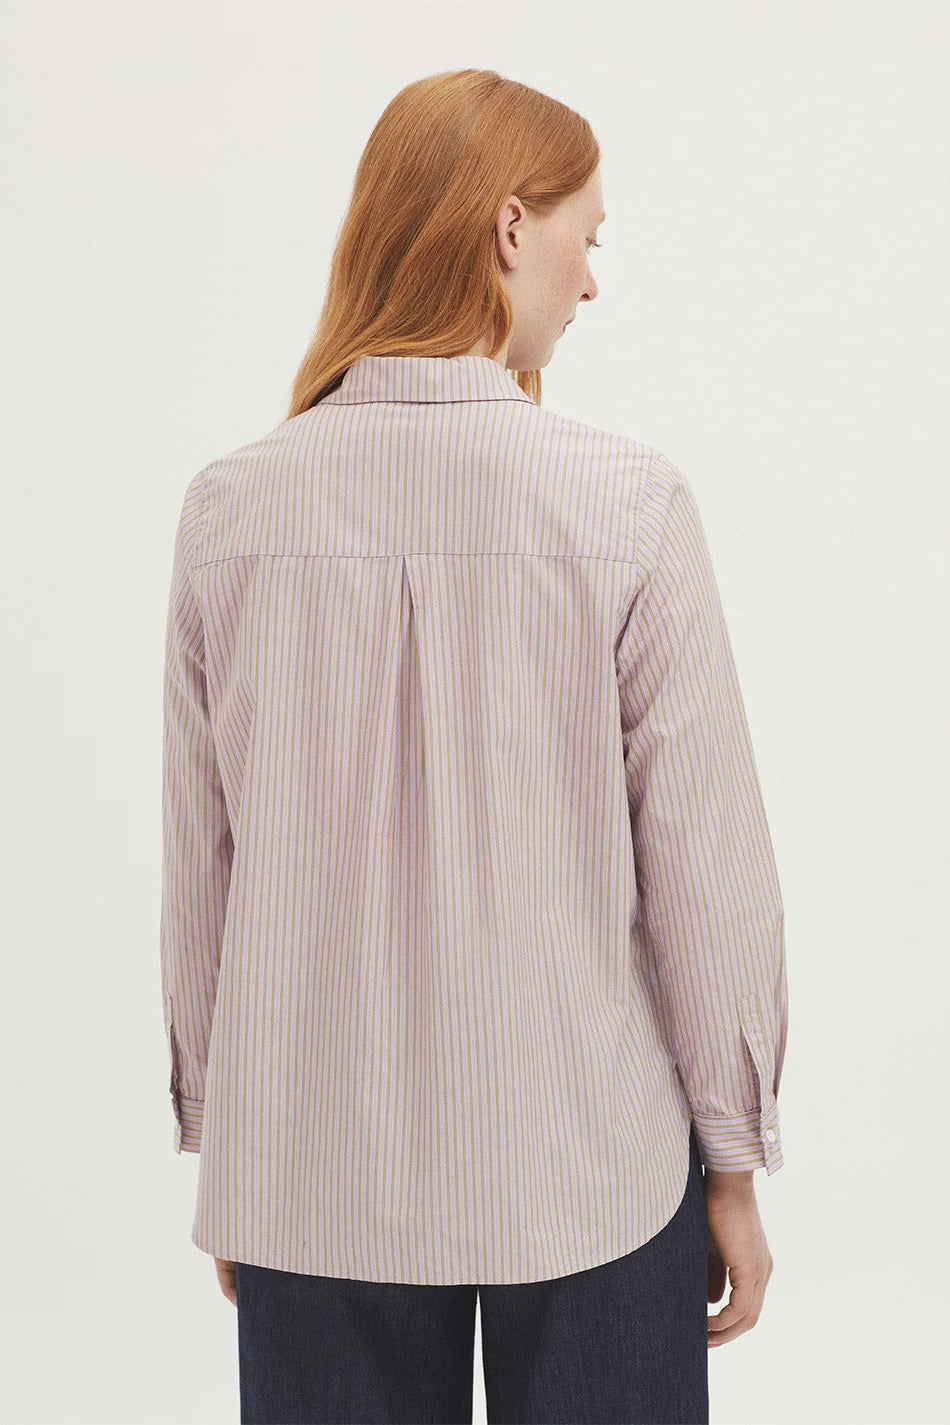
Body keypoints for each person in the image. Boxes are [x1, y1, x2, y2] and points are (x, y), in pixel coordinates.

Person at [160, 67, 788, 1425]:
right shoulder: (625, 504)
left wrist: (230, 1145)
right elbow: (705, 869)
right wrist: (733, 1161)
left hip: (310, 1170)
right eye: (587, 236)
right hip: (591, 1161)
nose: (592, 279)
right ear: (510, 227)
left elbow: (203, 863)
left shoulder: (230, 512)